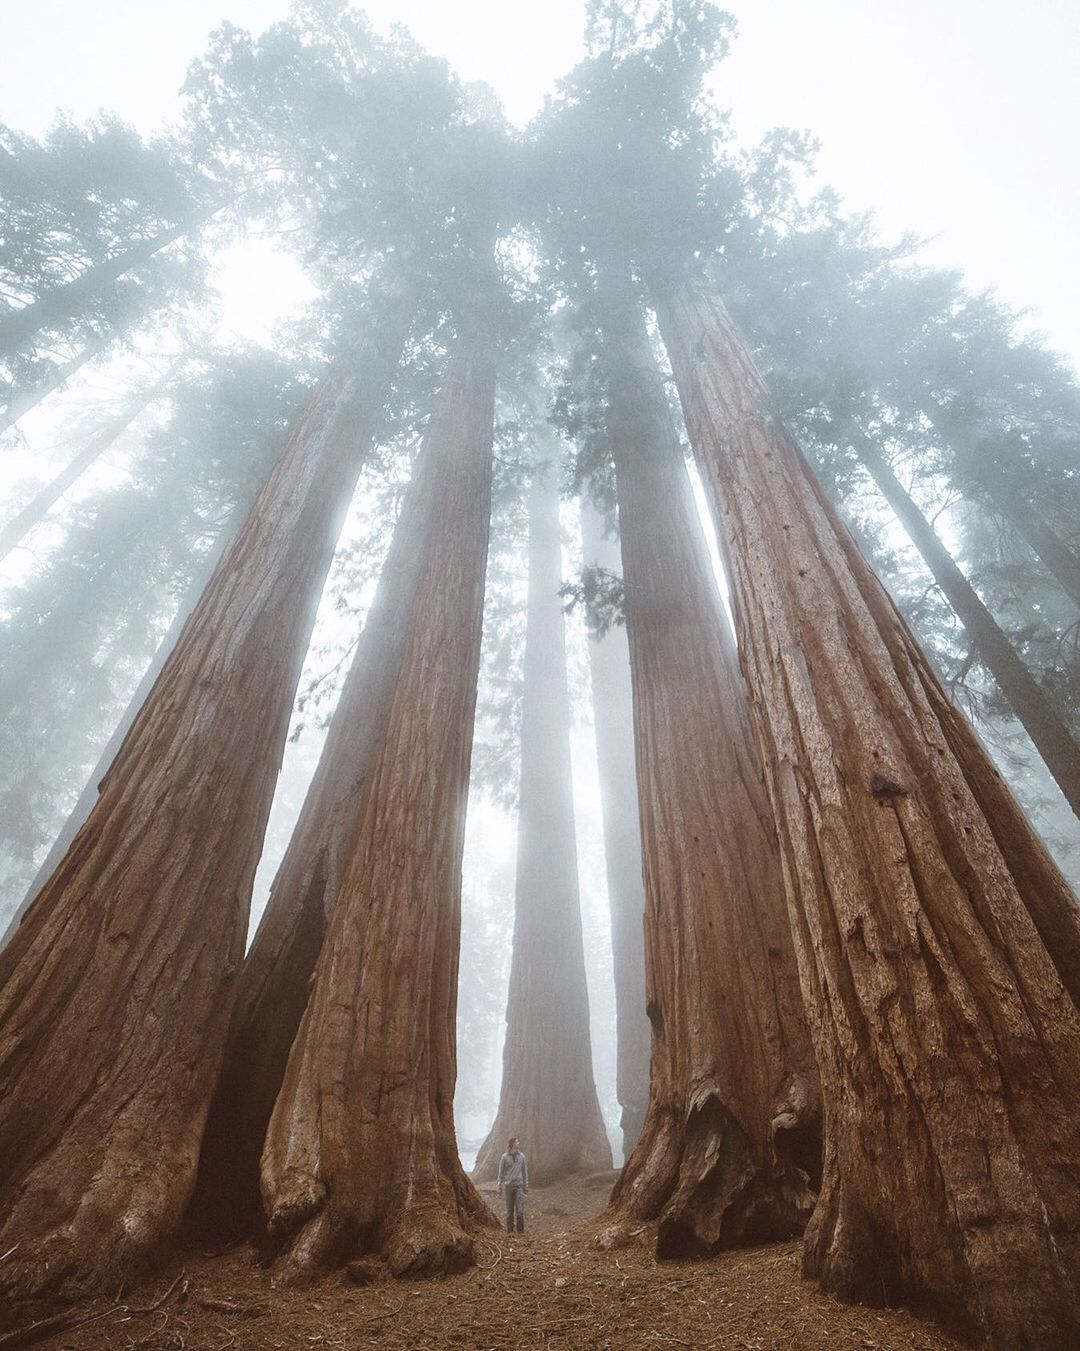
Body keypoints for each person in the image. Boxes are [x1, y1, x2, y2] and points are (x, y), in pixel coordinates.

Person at [497, 1135, 529, 1234]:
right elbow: (501, 1172)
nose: (519, 1143)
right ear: (512, 1144)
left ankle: (520, 1232)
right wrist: (499, 1186)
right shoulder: (504, 1157)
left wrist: (525, 1185)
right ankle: (510, 1232)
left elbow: (524, 1172)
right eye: (517, 1142)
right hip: (508, 1186)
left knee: (520, 1210)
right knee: (509, 1211)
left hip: (519, 1186)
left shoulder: (522, 1156)